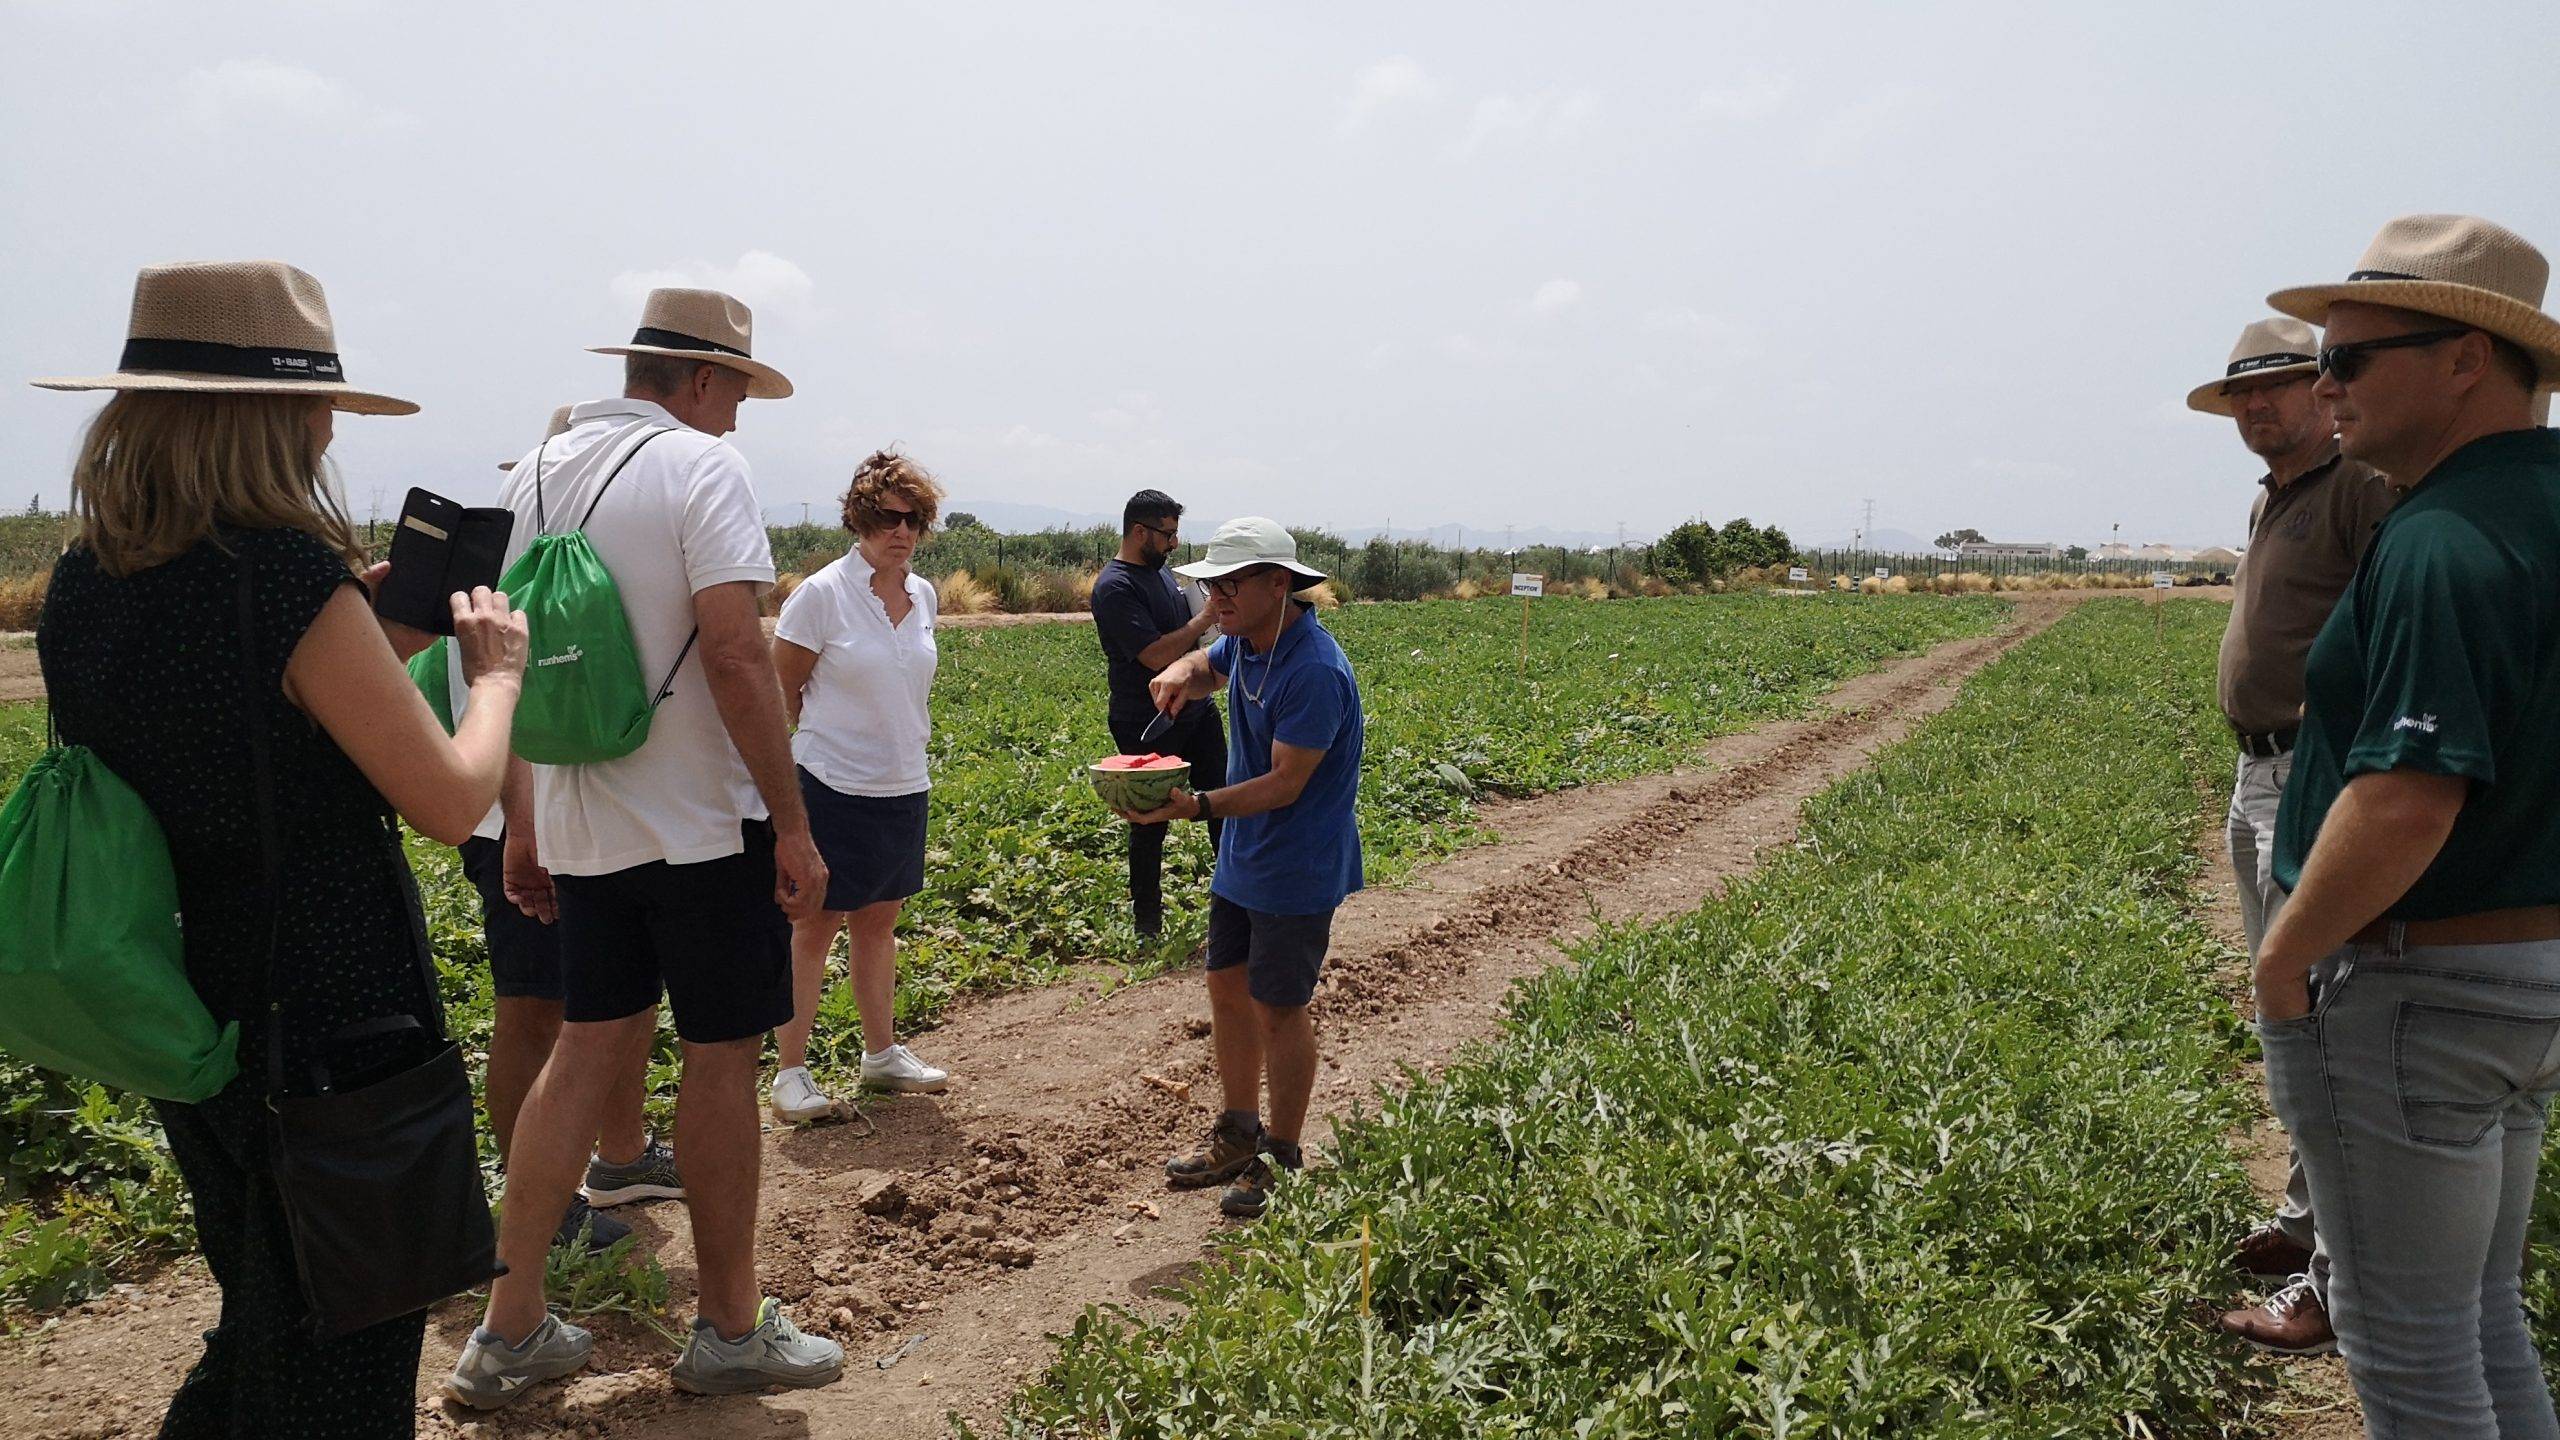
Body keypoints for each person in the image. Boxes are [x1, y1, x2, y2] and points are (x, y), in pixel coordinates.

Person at [31, 260, 529, 1438]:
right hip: (337, 1013)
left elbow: (229, 742)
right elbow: (453, 799)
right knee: (348, 1354)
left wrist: (365, 642)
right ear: (279, 418)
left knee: (260, 1314)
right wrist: (493, 677)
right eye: (322, 410)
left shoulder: (82, 583)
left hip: (188, 1003)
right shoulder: (290, 579)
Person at [449, 287, 842, 1406]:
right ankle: (727, 1327)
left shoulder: (529, 473)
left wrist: (523, 816)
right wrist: (794, 824)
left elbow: (498, 661)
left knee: (585, 1048)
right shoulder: (704, 471)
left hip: (580, 817)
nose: (737, 417)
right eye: (739, 394)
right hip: (700, 824)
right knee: (720, 1055)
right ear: (708, 380)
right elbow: (732, 654)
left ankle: (509, 1328)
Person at [2255, 213, 2560, 1436]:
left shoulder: (2440, 537)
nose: (2322, 386)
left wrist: (2283, 961)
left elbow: (2404, 794)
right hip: (2527, 980)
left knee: (2407, 1346)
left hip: (2419, 991)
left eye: (2349, 358)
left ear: (2463, 360)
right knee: (2483, 1315)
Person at [2186, 318, 2399, 1355]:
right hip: (2255, 772)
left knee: (2317, 1018)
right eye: (2242, 400)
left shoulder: (2359, 485)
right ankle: (2302, 1223)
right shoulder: (2279, 491)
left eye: (2275, 390)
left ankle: (2329, 1284)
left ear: (2324, 393)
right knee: (2290, 1010)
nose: (2257, 411)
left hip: (2312, 779)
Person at [1117, 517, 1364, 1220]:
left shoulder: (1312, 670)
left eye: (1230, 583)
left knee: (1280, 1008)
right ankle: (1236, 1131)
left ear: (1278, 584)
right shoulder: (1250, 642)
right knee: (1226, 986)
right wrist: (1180, 672)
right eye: (1210, 583)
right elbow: (1210, 665)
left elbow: (1286, 782)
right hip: (1245, 856)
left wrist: (1194, 806)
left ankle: (1280, 1154)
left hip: (1298, 863)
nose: (1216, 596)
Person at [436, 403, 636, 1252]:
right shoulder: (518, 566)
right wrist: (524, 823)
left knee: (579, 1006)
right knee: (532, 1011)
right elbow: (512, 704)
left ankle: (604, 1165)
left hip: (528, 813)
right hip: (512, 818)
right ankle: (540, 1211)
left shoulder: (509, 554)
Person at [767, 450, 951, 1123]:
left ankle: (880, 1056)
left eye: (912, 520)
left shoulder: (924, 595)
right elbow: (779, 689)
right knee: (815, 927)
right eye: (884, 519)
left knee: (880, 921)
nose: (898, 532)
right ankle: (790, 1071)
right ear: (858, 520)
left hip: (903, 783)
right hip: (831, 784)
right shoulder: (820, 595)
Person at [1090, 489, 1225, 938]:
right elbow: (1153, 656)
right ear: (1139, 531)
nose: (1172, 544)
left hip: (1195, 710)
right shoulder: (1115, 587)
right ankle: (1147, 924)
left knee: (1222, 803)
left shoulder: (1162, 575)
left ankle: (1233, 903)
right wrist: (1204, 619)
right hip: (1146, 721)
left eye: (1176, 534)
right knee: (1149, 824)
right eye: (1166, 535)